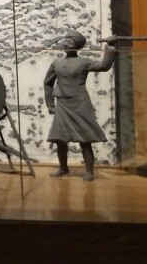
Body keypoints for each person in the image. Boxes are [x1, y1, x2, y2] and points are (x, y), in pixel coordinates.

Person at [44, 30, 117, 181]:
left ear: (77, 46)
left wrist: (110, 46)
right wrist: (50, 104)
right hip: (62, 104)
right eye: (64, 41)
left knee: (85, 139)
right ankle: (63, 168)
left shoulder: (84, 62)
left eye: (69, 42)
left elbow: (104, 66)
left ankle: (89, 171)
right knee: (59, 138)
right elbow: (48, 83)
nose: (65, 43)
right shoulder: (56, 63)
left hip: (80, 103)